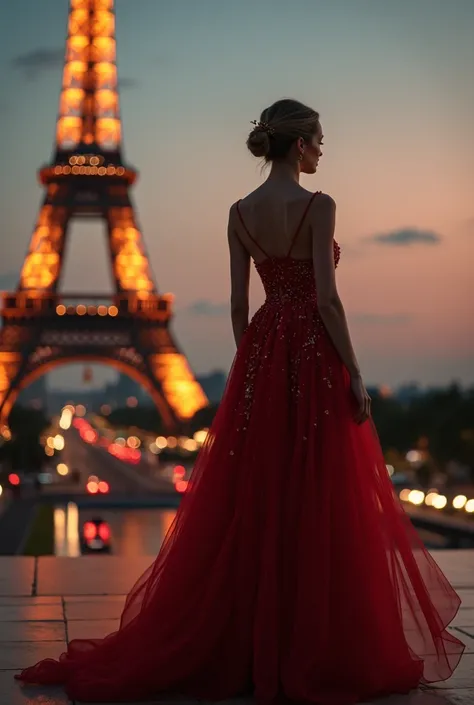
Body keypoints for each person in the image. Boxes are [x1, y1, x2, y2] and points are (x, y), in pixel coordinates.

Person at [15, 98, 464, 704]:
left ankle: (246, 634)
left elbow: (235, 304)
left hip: (262, 351)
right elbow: (328, 300)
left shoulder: (239, 212)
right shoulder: (319, 205)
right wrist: (353, 370)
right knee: (319, 492)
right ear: (300, 145)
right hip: (311, 348)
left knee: (258, 496)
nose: (324, 151)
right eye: (320, 141)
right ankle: (313, 637)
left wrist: (252, 368)